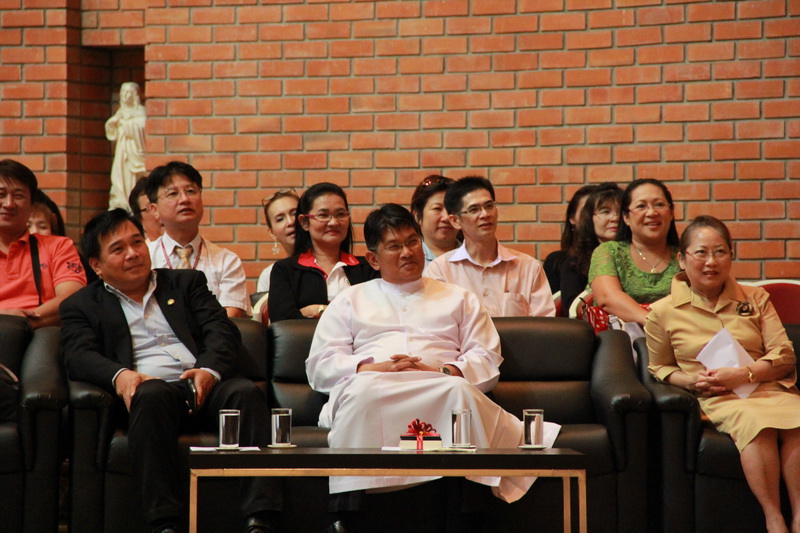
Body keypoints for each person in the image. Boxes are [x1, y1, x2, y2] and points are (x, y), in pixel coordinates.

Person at [307, 204, 546, 530]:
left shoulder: (459, 297)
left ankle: (470, 517)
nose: (407, 252)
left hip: (439, 383)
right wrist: (372, 368)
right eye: (394, 246)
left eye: (412, 242)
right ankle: (346, 516)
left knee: (458, 391)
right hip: (374, 384)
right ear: (373, 259)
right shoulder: (350, 300)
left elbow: (486, 356)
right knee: (362, 390)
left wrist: (443, 371)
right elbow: (321, 364)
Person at [60, 209, 281, 533]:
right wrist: (122, 376)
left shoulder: (185, 283)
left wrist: (208, 370)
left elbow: (222, 330)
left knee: (245, 392)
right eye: (118, 249)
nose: (133, 253)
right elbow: (78, 355)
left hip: (202, 383)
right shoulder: (81, 305)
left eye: (137, 242)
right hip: (149, 391)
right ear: (96, 265)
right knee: (151, 393)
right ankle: (165, 523)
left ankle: (261, 519)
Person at [646, 215, 800, 533]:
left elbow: (784, 355)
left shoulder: (755, 298)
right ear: (682, 259)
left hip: (768, 388)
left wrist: (745, 374)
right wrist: (689, 381)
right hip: (720, 396)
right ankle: (774, 518)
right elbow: (660, 367)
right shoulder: (662, 312)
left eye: (720, 252)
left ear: (731, 254)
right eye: (701, 253)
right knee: (756, 424)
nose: (711, 262)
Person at [425, 176, 555, 317]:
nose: (485, 214)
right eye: (474, 209)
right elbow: (437, 323)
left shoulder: (529, 268)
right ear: (455, 221)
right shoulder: (440, 270)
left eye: (489, 206)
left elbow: (544, 325)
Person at [146, 161, 251, 318]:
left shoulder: (226, 261)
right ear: (154, 210)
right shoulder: (145, 258)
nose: (184, 199)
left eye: (190, 191)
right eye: (173, 193)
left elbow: (230, 317)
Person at [268, 182, 378, 322]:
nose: (333, 222)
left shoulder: (368, 268)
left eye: (340, 214)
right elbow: (283, 322)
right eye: (323, 215)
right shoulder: (285, 270)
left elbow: (378, 315)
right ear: (304, 222)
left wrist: (316, 310)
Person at [0, 159, 86, 328]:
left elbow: (72, 298)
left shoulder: (58, 246)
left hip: (41, 330)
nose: (9, 204)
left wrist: (22, 323)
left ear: (31, 206)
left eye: (18, 196)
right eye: (1, 194)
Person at [589, 178, 681, 326]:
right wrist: (655, 325)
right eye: (641, 206)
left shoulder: (686, 254)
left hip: (679, 334)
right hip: (621, 337)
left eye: (659, 204)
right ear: (626, 217)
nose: (651, 212)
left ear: (671, 213)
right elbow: (607, 298)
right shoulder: (609, 251)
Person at [559, 183, 622, 316]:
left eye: (620, 212)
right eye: (605, 212)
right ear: (589, 219)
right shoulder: (575, 264)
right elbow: (573, 311)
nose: (615, 218)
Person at [543, 185, 597, 293]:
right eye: (586, 212)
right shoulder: (557, 262)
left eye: (601, 211)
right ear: (572, 218)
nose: (593, 218)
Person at [106, 82, 147, 210]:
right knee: (118, 176)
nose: (124, 95)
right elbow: (111, 131)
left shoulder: (140, 111)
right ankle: (121, 203)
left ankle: (131, 205)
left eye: (128, 92)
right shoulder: (121, 111)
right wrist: (113, 123)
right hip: (122, 149)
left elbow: (143, 126)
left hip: (134, 149)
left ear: (135, 95)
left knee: (132, 179)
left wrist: (128, 125)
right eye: (123, 92)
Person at [409, 174, 459, 267]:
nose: (446, 217)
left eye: (451, 209)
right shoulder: (408, 260)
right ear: (417, 216)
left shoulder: (476, 256)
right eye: (437, 208)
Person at [256, 190, 300, 293]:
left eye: (295, 213)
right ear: (272, 233)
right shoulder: (269, 275)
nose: (290, 222)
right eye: (280, 219)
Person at [129, 177, 163, 243]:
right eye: (150, 208)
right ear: (139, 219)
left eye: (161, 204)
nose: (160, 213)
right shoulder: (145, 249)